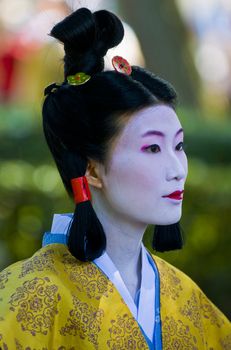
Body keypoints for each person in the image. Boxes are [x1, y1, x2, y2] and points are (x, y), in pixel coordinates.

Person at [0, 7, 230, 350]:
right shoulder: (28, 298)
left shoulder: (188, 299)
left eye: (178, 145)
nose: (177, 168)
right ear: (92, 169)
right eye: (152, 148)